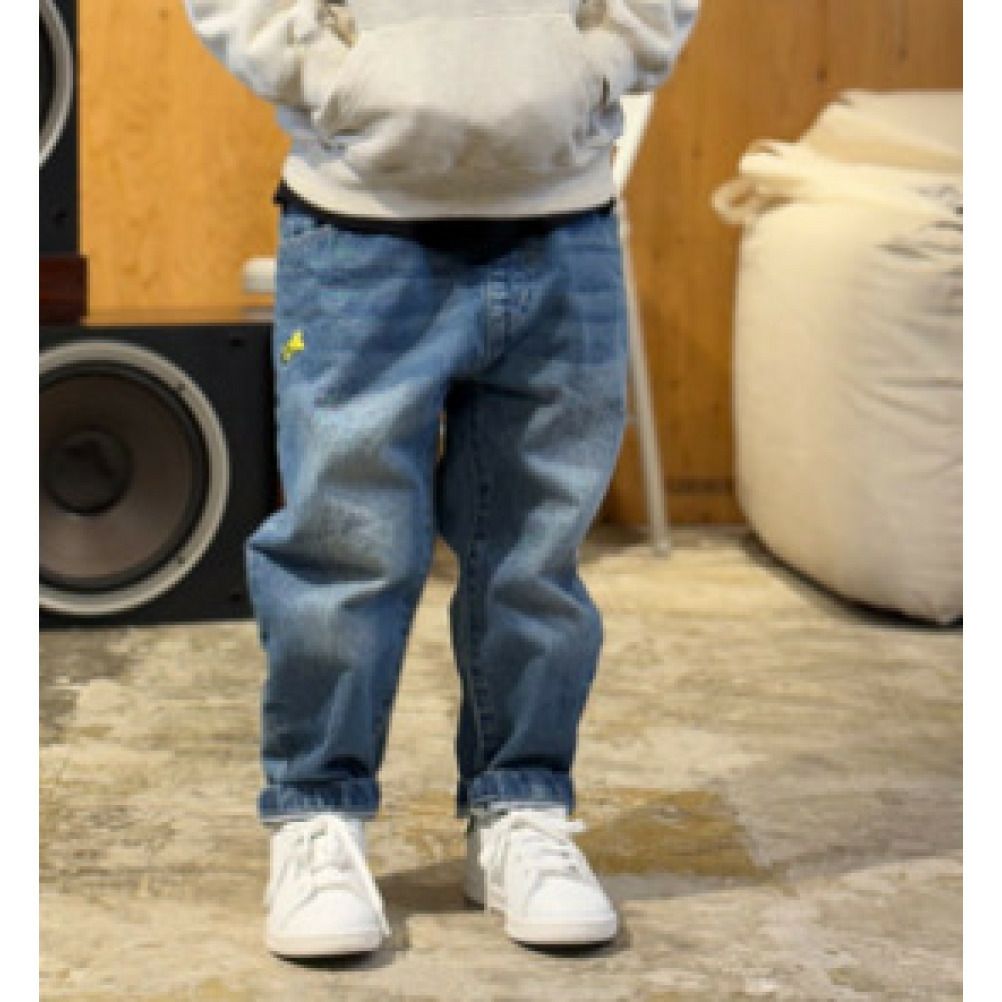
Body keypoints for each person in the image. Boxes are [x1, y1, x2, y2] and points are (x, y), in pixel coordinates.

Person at [183, 0, 700, 959]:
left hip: (565, 219)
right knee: (345, 547)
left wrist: (598, 61)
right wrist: (329, 75)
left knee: (535, 558)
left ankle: (522, 808)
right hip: (359, 224)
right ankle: (317, 815)